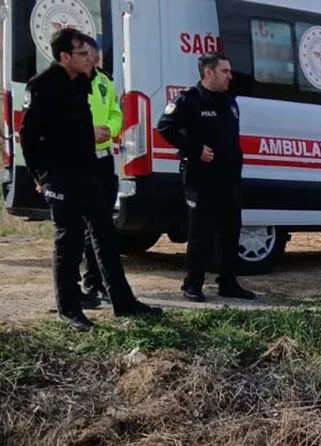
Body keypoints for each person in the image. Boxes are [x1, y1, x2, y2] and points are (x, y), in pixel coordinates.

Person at [20, 28, 160, 332]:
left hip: (88, 172)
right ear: (64, 57)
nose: (91, 58)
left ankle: (123, 302)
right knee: (68, 241)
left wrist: (90, 138)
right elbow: (31, 137)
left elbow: (79, 126)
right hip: (58, 175)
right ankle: (69, 309)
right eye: (83, 54)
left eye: (90, 52)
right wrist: (40, 178)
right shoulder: (42, 86)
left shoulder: (84, 81)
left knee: (106, 236)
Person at [156, 51, 256, 302]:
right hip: (202, 179)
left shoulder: (229, 101)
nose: (230, 76)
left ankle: (229, 283)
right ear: (208, 73)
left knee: (230, 233)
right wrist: (195, 149)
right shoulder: (190, 100)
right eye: (225, 71)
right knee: (201, 233)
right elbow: (165, 127)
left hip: (229, 179)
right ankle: (192, 285)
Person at [79, 37, 122, 306]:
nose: (93, 58)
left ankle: (103, 283)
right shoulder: (69, 84)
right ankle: (90, 283)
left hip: (104, 158)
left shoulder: (105, 81)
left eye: (95, 54)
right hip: (81, 159)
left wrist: (110, 128)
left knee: (104, 225)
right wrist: (88, 133)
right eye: (88, 53)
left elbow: (117, 112)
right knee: (84, 226)